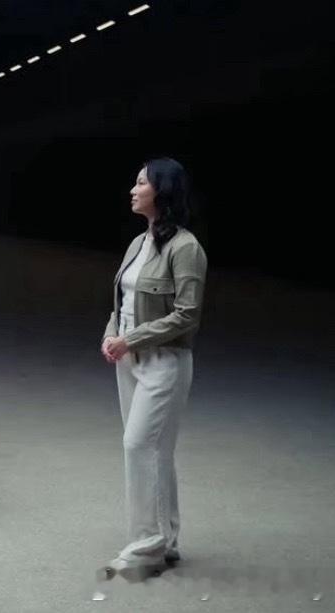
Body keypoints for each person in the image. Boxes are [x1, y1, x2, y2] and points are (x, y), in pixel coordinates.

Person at [99, 157, 206, 579]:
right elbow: (121, 302)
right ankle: (166, 540)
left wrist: (132, 339)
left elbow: (187, 315)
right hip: (128, 359)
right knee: (155, 451)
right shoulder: (137, 243)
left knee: (139, 445)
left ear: (162, 191)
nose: (133, 189)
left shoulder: (185, 248)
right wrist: (112, 334)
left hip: (165, 361)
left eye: (141, 183)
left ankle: (146, 547)